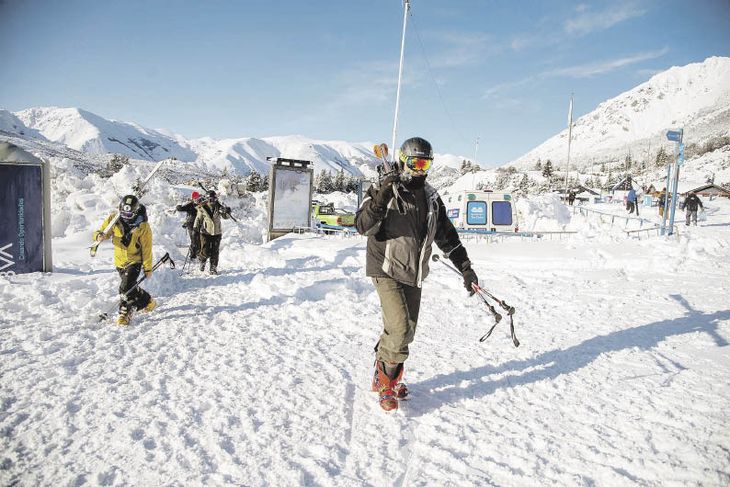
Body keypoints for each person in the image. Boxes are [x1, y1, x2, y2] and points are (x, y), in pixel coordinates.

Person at [355, 137, 479, 412]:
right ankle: (385, 382)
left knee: (406, 331)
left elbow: (448, 237)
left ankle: (389, 372)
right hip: (386, 267)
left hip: (414, 272)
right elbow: (363, 226)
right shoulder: (385, 188)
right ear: (402, 160)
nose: (420, 170)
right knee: (398, 329)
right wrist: (383, 192)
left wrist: (466, 268)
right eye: (415, 163)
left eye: (426, 164)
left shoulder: (432, 198)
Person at [93, 195, 155, 326]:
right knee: (131, 287)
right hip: (120, 262)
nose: (126, 216)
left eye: (129, 214)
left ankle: (124, 314)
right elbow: (103, 231)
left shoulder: (143, 226)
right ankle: (148, 301)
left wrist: (148, 267)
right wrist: (99, 235)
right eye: (124, 213)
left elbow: (147, 249)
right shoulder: (114, 218)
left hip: (134, 261)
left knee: (125, 288)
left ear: (135, 211)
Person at [193, 190, 231, 275]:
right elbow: (198, 219)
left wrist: (228, 211)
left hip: (217, 232)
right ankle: (202, 261)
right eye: (210, 199)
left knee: (215, 251)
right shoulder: (202, 207)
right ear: (206, 199)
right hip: (205, 232)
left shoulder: (219, 207)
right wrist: (195, 228)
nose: (212, 201)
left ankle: (213, 268)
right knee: (205, 251)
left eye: (213, 199)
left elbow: (225, 217)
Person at [176, 191, 202, 261]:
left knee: (199, 239)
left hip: (199, 224)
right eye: (195, 198)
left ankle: (199, 253)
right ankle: (193, 255)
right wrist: (178, 206)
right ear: (193, 198)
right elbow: (181, 208)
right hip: (190, 223)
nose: (196, 199)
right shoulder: (190, 204)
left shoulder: (201, 204)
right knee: (193, 238)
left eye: (197, 198)